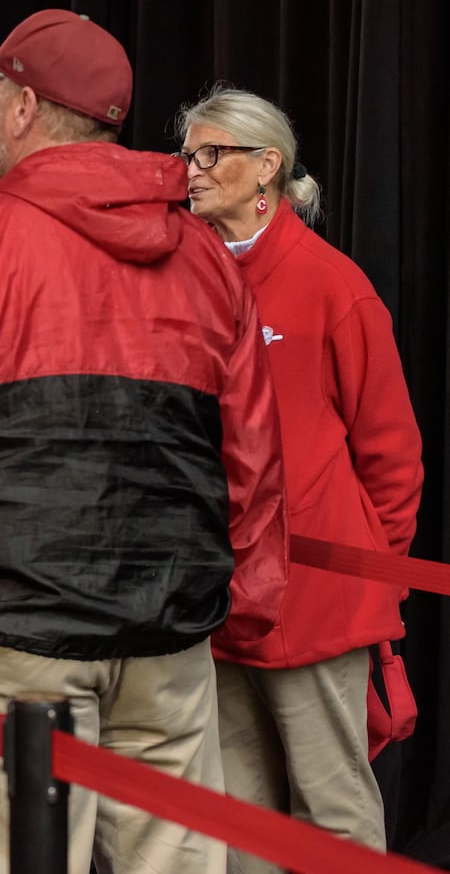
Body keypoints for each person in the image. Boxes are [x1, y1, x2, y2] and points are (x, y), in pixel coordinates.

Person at [0, 10, 291, 874]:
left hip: (1, 644)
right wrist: (245, 611)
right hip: (168, 648)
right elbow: (252, 461)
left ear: (26, 108)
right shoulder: (208, 261)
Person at [177, 87, 423, 870]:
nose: (193, 170)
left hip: (319, 601)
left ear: (267, 170)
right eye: (188, 155)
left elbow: (392, 454)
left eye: (212, 154)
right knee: (241, 808)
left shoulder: (332, 284)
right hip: (220, 596)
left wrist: (371, 581)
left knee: (332, 804)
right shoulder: (185, 275)